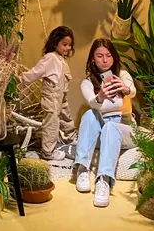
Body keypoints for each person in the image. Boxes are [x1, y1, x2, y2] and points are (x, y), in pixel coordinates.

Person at [74, 38, 136, 208]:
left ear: (114, 57)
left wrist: (125, 88)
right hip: (102, 130)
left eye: (108, 55)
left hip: (124, 128)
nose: (105, 60)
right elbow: (92, 103)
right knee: (89, 114)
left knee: (111, 126)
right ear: (93, 59)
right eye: (99, 56)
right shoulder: (87, 83)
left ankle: (104, 179)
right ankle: (82, 168)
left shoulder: (122, 75)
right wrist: (100, 96)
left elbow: (132, 92)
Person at [19, 26, 77, 161]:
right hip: (52, 96)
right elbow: (35, 73)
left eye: (70, 45)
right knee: (52, 122)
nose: (68, 48)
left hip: (61, 95)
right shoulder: (50, 58)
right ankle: (48, 152)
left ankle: (71, 136)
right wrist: (21, 79)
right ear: (55, 43)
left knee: (66, 115)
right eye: (64, 44)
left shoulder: (60, 58)